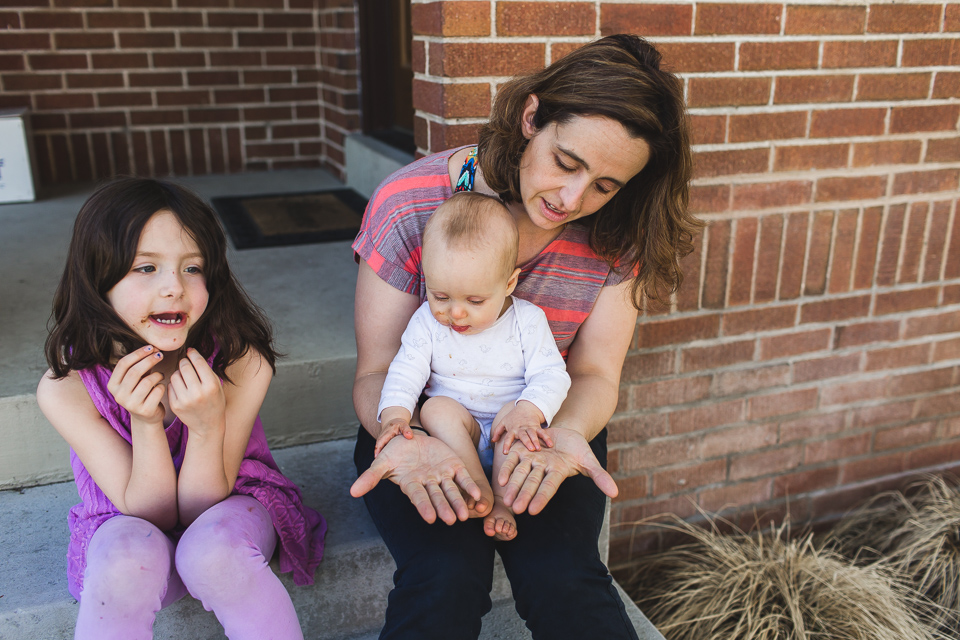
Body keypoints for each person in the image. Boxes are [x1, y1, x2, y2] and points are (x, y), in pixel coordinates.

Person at [349, 33, 700, 640]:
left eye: (605, 185)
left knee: (565, 577)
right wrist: (398, 434)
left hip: (543, 423)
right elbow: (378, 368)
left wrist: (561, 433)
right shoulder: (412, 205)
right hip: (426, 424)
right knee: (444, 574)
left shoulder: (617, 234)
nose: (573, 199)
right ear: (530, 116)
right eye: (567, 163)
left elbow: (593, 374)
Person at [36, 177, 326, 640]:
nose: (174, 287)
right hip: (128, 523)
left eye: (193, 268)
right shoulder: (67, 388)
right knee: (125, 558)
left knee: (212, 551)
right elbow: (149, 516)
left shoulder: (240, 363)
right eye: (146, 268)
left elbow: (197, 512)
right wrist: (146, 423)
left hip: (228, 512)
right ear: (97, 278)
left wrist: (208, 428)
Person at [375, 192, 572, 541]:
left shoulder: (527, 321)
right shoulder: (427, 323)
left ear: (509, 283)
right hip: (455, 434)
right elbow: (405, 370)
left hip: (508, 423)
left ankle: (503, 501)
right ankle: (477, 487)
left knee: (519, 419)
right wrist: (395, 415)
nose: (455, 313)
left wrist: (528, 411)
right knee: (435, 408)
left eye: (475, 300)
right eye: (440, 296)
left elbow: (551, 374)